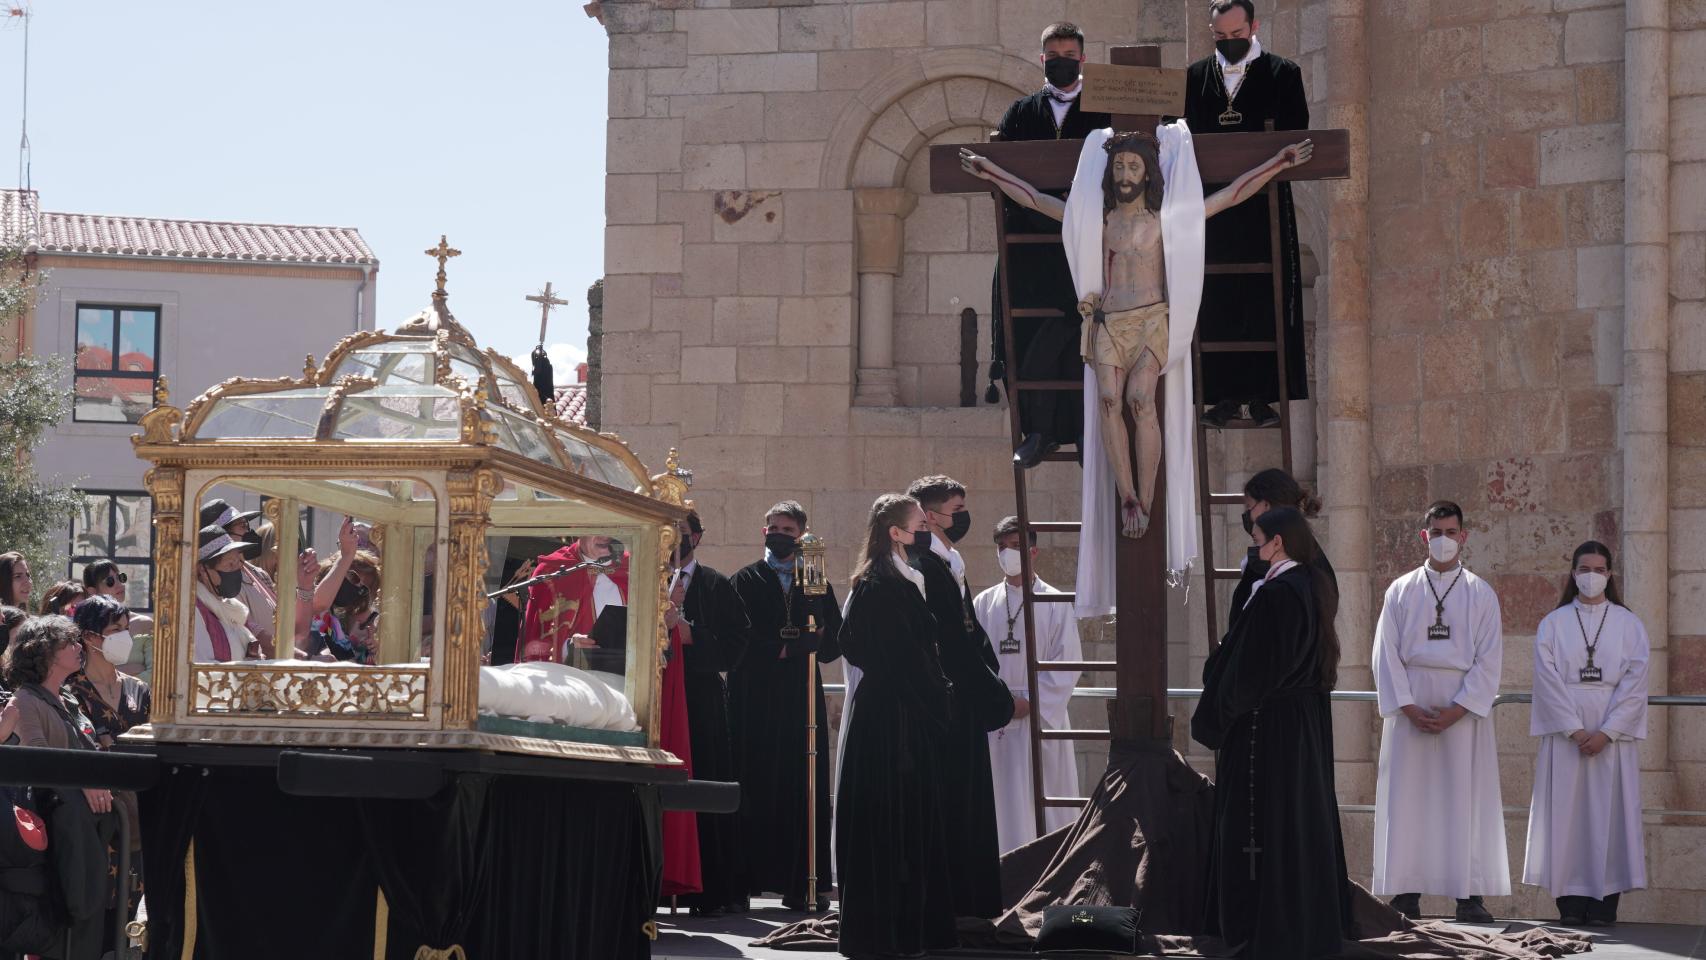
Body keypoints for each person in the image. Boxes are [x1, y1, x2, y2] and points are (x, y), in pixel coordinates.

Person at [960, 131, 1313, 538]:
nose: (1125, 174)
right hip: (1109, 320)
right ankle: (1127, 493)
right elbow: (1038, 200)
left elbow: (1231, 195)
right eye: (1119, 166)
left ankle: (1145, 496)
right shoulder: (1100, 218)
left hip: (1150, 321)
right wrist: (993, 173)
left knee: (1141, 400)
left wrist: (1280, 163)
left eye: (1133, 166)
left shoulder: (1165, 220)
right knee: (1109, 401)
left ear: (1148, 174)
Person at [1192, 508, 1349, 959]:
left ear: (1277, 542)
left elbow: (1254, 669)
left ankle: (1259, 926)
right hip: (1294, 726)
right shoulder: (1306, 585)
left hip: (1266, 729)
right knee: (1292, 823)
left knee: (1263, 828)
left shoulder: (1281, 592)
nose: (1255, 548)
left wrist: (1217, 716)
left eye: (1258, 538)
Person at [1372, 500, 1508, 923]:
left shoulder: (1480, 593)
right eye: (1437, 531)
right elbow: (1385, 651)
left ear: (1464, 536)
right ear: (1423, 535)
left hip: (1459, 709)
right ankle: (1406, 892)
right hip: (1411, 700)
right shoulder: (1401, 589)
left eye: (1452, 532)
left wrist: (1457, 710)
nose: (1444, 539)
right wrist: (1408, 705)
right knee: (1408, 799)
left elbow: (1489, 659)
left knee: (1463, 798)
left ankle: (1467, 895)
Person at [835, 494, 955, 960]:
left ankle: (911, 927)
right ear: (895, 532)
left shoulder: (909, 578)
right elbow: (862, 646)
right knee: (886, 821)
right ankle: (882, 932)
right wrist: (926, 691)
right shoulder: (876, 585)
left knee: (911, 820)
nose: (924, 528)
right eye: (917, 522)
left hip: (908, 712)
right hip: (889, 720)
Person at [1184, 0, 1312, 429]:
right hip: (1212, 206)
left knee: (1265, 295)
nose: (1229, 43)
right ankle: (1219, 397)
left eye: (1237, 35)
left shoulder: (1282, 73)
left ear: (1254, 26)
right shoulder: (1195, 77)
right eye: (1220, 37)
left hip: (1265, 205)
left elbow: (1297, 130)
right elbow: (1178, 134)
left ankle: (1261, 397)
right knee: (1214, 298)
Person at [994, 21, 1113, 468]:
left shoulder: (1105, 111)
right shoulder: (1021, 113)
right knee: (1029, 341)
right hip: (1030, 248)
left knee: (1083, 338)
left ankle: (1087, 434)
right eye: (1053, 55)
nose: (1061, 62)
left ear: (1082, 59)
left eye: (1069, 54)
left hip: (1087, 247)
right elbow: (1004, 170)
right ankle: (1039, 430)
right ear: (1043, 59)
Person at [903, 475, 1013, 919]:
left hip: (965, 696)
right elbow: (951, 639)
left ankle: (971, 898)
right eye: (955, 508)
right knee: (953, 803)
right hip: (951, 702)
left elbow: (972, 633)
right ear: (930, 516)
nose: (962, 516)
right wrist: (990, 690)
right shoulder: (926, 566)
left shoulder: (948, 561)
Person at [1523, 541, 1649, 927]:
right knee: (1568, 816)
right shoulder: (1554, 623)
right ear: (1573, 573)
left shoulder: (1629, 624)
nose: (1591, 576)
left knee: (1609, 818)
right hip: (1567, 735)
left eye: (1598, 569)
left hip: (1611, 736)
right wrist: (1576, 731)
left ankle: (1605, 903)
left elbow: (1636, 681)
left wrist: (1607, 732)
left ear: (1609, 575)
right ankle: (1570, 903)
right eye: (1584, 568)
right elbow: (1546, 680)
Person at [728, 500, 844, 911]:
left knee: (802, 782)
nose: (779, 535)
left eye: (788, 531)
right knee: (752, 780)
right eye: (772, 528)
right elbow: (734, 639)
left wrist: (819, 630)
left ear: (802, 537)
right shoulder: (745, 579)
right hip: (755, 697)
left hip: (799, 696)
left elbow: (833, 644)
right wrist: (782, 650)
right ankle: (743, 880)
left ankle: (802, 882)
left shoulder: (815, 581)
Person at [973, 516, 1080, 853]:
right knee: (999, 802)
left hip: (1040, 717)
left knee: (1041, 798)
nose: (1007, 553)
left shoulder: (1056, 601)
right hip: (997, 716)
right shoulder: (982, 603)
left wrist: (1031, 703)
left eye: (1016, 546)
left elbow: (1069, 663)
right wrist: (997, 702)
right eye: (1001, 547)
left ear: (1033, 551)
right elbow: (973, 663)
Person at [673, 511, 754, 916]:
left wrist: (692, 636)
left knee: (702, 784)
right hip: (656, 699)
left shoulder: (717, 586)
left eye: (681, 533)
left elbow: (737, 645)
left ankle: (709, 889)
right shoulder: (641, 578)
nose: (674, 540)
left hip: (700, 699)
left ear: (698, 538)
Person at [4, 616, 112, 815]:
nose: (79, 646)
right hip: (58, 811)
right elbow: (40, 762)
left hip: (92, 801)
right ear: (46, 650)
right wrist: (82, 781)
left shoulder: (67, 696)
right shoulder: (25, 700)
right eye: (70, 642)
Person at [1228, 468, 1333, 628]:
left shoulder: (1270, 565)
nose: (1248, 516)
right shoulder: (1314, 557)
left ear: (1266, 505)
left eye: (1250, 508)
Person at [515, 534, 628, 670]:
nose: (605, 534)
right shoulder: (552, 571)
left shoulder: (635, 568)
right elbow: (536, 639)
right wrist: (568, 648)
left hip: (630, 679)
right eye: (597, 525)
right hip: (574, 679)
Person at [65, 595, 150, 747]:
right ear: (88, 636)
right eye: (116, 629)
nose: (124, 637)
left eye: (126, 629)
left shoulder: (140, 690)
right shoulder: (70, 692)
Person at [203, 498, 279, 657]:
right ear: (222, 534)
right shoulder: (221, 580)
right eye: (243, 526)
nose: (250, 532)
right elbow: (252, 631)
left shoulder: (259, 573)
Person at [192, 524, 262, 662]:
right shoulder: (194, 612)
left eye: (238, 563)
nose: (237, 570)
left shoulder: (232, 608)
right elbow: (202, 669)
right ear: (204, 571)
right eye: (230, 564)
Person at [81, 558, 154, 639]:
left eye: (120, 577)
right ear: (92, 591)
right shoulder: (84, 628)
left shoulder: (143, 624)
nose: (119, 584)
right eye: (110, 581)